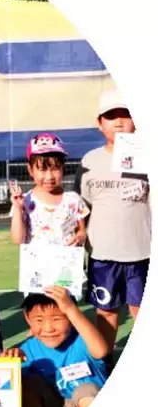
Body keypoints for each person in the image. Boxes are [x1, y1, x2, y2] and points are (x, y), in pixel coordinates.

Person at [74, 89, 151, 347]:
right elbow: (80, 207)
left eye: (125, 115)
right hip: (103, 255)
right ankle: (105, 362)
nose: (119, 122)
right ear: (100, 123)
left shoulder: (149, 156)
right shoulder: (90, 161)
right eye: (110, 116)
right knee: (106, 312)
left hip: (142, 253)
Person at [12, 286, 110, 407]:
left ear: (71, 317)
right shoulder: (28, 349)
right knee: (26, 381)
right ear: (27, 318)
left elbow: (101, 350)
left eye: (57, 318)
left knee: (86, 391)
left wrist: (70, 308)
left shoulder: (83, 340)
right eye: (39, 320)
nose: (48, 328)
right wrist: (8, 362)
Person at [9, 133, 89, 247]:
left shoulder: (73, 199)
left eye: (55, 169)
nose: (49, 176)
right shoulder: (24, 201)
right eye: (42, 169)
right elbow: (17, 239)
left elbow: (81, 230)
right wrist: (18, 208)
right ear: (30, 170)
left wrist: (81, 234)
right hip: (36, 259)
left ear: (63, 168)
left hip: (66, 258)